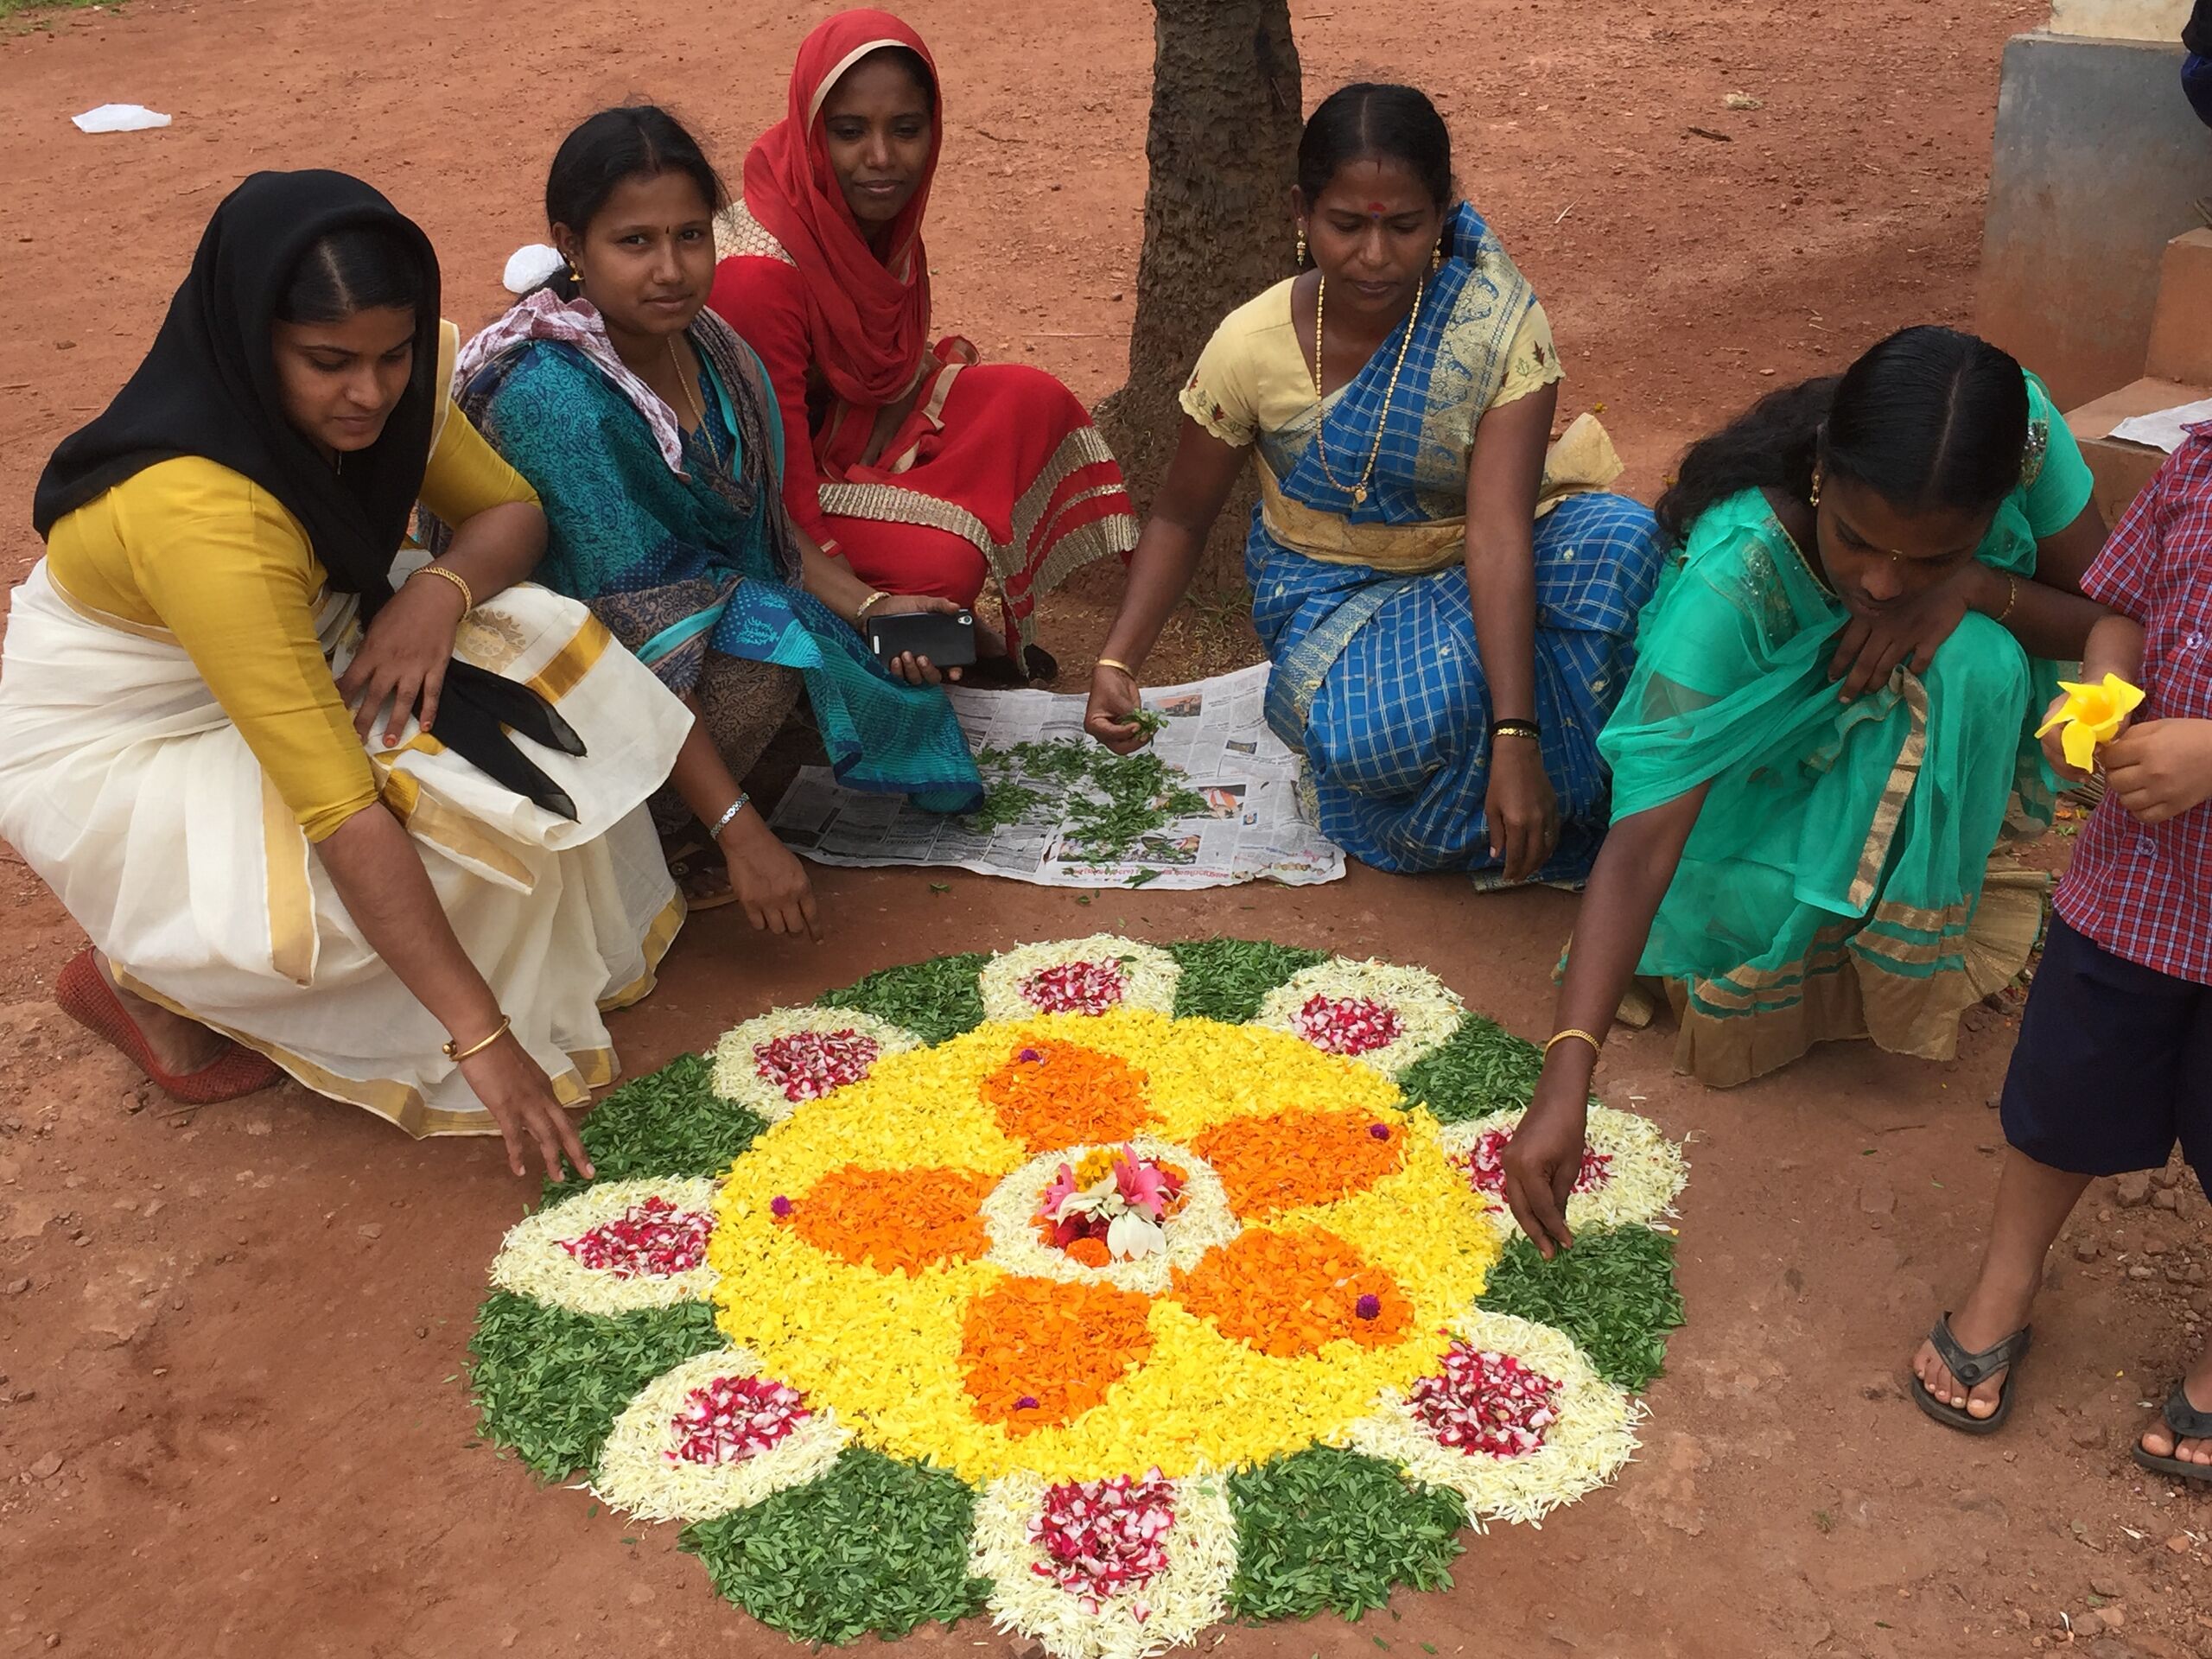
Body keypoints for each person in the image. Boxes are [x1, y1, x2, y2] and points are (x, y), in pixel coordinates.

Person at [0, 171, 696, 1179]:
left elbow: (510, 514)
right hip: (137, 741)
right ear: (251, 343)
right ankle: (147, 977)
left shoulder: (391, 389)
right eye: (327, 363)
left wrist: (435, 594)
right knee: (420, 830)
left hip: (314, 641)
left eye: (392, 356)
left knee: (533, 639)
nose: (369, 395)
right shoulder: (203, 515)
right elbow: (340, 813)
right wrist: (483, 1040)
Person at [1502, 325, 2118, 1257]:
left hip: (1905, 709)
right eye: (1856, 542)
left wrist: (1973, 590)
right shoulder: (1738, 572)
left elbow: (2118, 610)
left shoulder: (2016, 434)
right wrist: (1565, 1076)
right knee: (1729, 914)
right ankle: (1812, 938)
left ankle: (1881, 921)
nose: (1882, 582)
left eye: (1930, 555)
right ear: (1823, 475)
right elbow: (1642, 844)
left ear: (1992, 508)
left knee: (1977, 662)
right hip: (1751, 789)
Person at [1083, 82, 1666, 882]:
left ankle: (1544, 768)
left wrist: (1516, 735)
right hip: (1332, 602)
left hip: (1480, 557)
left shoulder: (1492, 329)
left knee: (1630, 546)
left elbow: (1499, 531)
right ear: (1301, 212)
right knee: (1399, 721)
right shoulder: (1249, 346)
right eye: (1347, 224)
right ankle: (1555, 770)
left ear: (1443, 213)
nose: (1376, 256)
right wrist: (1119, 661)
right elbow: (1182, 518)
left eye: (1405, 226)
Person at [449, 106, 982, 929]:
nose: (671, 269)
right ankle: (660, 830)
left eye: (691, 236)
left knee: (877, 640)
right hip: (556, 689)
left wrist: (875, 608)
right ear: (571, 244)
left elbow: (763, 529)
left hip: (677, 626)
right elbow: (635, 635)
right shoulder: (553, 399)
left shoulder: (709, 345)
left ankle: (713, 780)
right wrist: (741, 830)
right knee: (776, 642)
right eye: (635, 242)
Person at [1907, 425, 2212, 1470]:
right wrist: (2102, 697)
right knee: (2068, 1081)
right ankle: (2007, 1277)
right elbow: (2122, 609)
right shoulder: (2198, 463)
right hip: (2138, 881)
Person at [709, 8, 1137, 683]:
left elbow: (893, 372)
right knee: (945, 564)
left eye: (906, 130)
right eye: (850, 132)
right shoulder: (756, 277)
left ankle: (942, 625)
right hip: (762, 502)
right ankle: (907, 637)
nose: (882, 159)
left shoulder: (876, 219)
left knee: (1031, 399)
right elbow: (776, 492)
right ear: (811, 131)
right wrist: (869, 602)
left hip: (849, 437)